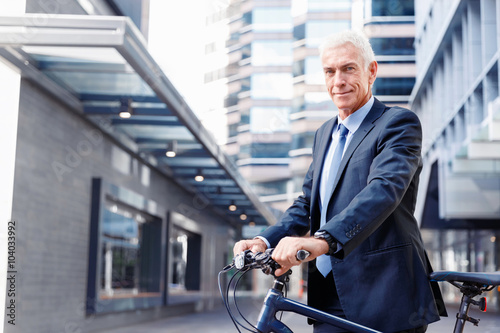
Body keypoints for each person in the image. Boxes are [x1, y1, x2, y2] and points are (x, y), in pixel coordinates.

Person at [233, 30, 446, 333]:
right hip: (328, 293)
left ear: (371, 72)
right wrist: (265, 240)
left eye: (348, 68)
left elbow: (383, 191)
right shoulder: (323, 135)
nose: (338, 81)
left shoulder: (398, 123)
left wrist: (322, 241)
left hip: (384, 294)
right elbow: (307, 203)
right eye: (330, 71)